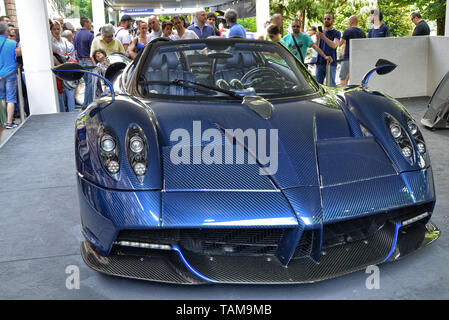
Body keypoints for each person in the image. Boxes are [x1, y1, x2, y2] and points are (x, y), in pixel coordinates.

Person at [50, 19, 76, 113]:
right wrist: (60, 64)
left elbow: (69, 52)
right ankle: (62, 112)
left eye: (58, 29)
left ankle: (72, 111)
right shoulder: (49, 41)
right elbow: (52, 55)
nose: (56, 31)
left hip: (65, 66)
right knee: (59, 91)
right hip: (57, 68)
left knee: (70, 88)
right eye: (54, 29)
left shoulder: (64, 40)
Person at [74, 16, 94, 109]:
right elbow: (92, 51)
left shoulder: (76, 35)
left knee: (87, 83)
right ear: (86, 23)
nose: (91, 24)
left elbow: (76, 51)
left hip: (81, 62)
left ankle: (87, 104)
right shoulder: (90, 35)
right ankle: (87, 105)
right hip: (89, 61)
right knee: (90, 84)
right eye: (90, 22)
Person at [0, 23, 18, 129]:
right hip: (10, 74)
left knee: (2, 97)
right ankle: (9, 122)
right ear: (6, 32)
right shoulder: (12, 43)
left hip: (0, 75)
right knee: (10, 98)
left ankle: (3, 121)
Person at [315, 13, 341, 87]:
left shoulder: (337, 33)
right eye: (325, 19)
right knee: (318, 86)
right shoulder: (321, 33)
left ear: (333, 20)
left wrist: (323, 37)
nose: (326, 20)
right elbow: (316, 47)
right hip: (320, 62)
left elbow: (334, 45)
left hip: (331, 63)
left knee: (331, 85)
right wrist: (318, 38)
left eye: (328, 19)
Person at [339, 15, 366, 86]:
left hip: (347, 57)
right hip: (358, 59)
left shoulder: (347, 31)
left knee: (343, 78)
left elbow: (339, 43)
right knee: (354, 78)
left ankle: (343, 93)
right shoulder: (363, 33)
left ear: (351, 21)